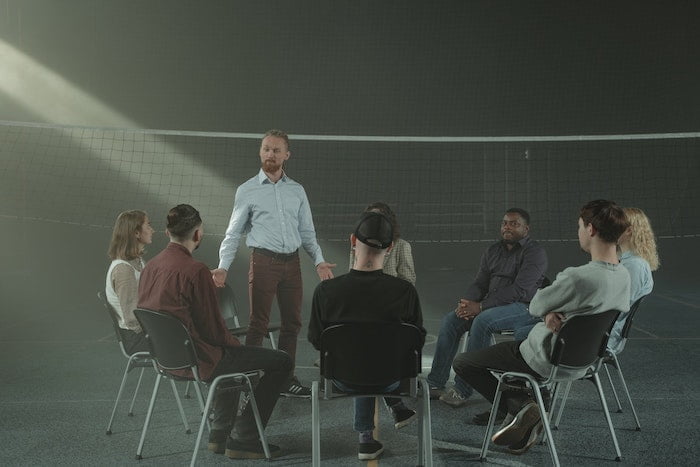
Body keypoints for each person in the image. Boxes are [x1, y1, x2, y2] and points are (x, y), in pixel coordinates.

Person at [453, 199, 631, 456]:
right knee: (515, 359)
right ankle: (527, 415)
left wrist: (548, 311)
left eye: (580, 226)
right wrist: (555, 312)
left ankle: (522, 407)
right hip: (585, 361)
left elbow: (535, 304)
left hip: (543, 356)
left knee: (464, 362)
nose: (579, 231)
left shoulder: (578, 276)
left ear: (591, 230)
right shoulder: (623, 275)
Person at [138, 204, 292, 460]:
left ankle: (219, 436)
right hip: (200, 360)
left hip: (166, 360)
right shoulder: (196, 270)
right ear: (198, 234)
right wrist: (238, 346)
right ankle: (245, 438)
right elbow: (214, 331)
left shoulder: (150, 267)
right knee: (281, 361)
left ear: (167, 233)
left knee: (231, 363)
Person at [211, 129, 335, 397]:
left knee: (292, 324)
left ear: (286, 155)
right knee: (258, 323)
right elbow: (232, 234)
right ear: (260, 151)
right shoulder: (247, 191)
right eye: (266, 148)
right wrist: (223, 266)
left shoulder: (297, 190)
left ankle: (285, 380)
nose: (271, 153)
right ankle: (250, 380)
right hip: (264, 262)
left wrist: (319, 261)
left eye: (277, 150)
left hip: (292, 264)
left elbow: (307, 233)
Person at [308, 211, 425, 461]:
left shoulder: (326, 292)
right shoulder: (405, 292)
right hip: (391, 379)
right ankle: (369, 434)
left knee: (359, 358)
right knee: (376, 358)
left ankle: (365, 437)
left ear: (352, 241)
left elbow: (317, 339)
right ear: (391, 247)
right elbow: (417, 341)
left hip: (342, 379)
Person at [427, 208, 548, 413]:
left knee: (483, 320)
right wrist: (467, 302)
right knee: (451, 320)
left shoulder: (535, 253)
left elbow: (519, 290)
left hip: (524, 307)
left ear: (526, 229)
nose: (507, 227)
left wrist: (481, 306)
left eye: (513, 223)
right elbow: (480, 282)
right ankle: (436, 382)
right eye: (504, 223)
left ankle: (463, 389)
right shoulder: (493, 251)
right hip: (492, 305)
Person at [607, 207, 659, 353]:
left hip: (602, 338)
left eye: (615, 225)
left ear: (629, 231)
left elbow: (617, 307)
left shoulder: (634, 266)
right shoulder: (625, 262)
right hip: (598, 332)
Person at [105, 210, 154, 355]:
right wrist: (159, 331)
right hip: (137, 339)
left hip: (145, 332)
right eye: (148, 225)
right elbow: (132, 320)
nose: (152, 230)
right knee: (190, 341)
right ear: (136, 233)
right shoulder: (123, 270)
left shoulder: (137, 262)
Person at [349, 201, 416, 285]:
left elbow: (408, 281)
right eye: (371, 217)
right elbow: (352, 273)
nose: (375, 221)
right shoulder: (358, 243)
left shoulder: (402, 246)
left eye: (379, 217)